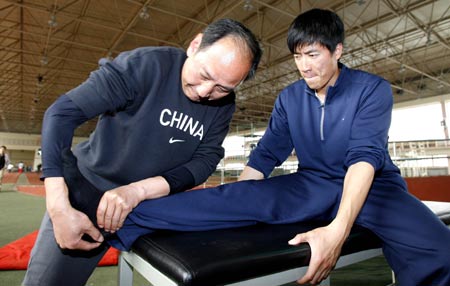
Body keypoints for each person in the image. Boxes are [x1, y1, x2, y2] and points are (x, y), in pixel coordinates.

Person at [29, 9, 450, 286]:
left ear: (337, 51)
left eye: (314, 55)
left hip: (373, 186)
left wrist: (337, 231)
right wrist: (242, 196)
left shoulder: (372, 89)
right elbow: (267, 154)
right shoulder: (288, 98)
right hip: (311, 184)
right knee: (232, 196)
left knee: (437, 247)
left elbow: (364, 157)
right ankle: (123, 222)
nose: (305, 66)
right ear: (194, 46)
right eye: (298, 56)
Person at [23, 18, 262, 286]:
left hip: (147, 205)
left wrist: (138, 191)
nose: (206, 92)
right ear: (195, 45)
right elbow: (60, 115)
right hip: (86, 195)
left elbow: (205, 161)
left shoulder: (224, 105)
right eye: (205, 75)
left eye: (222, 88)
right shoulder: (146, 66)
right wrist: (58, 207)